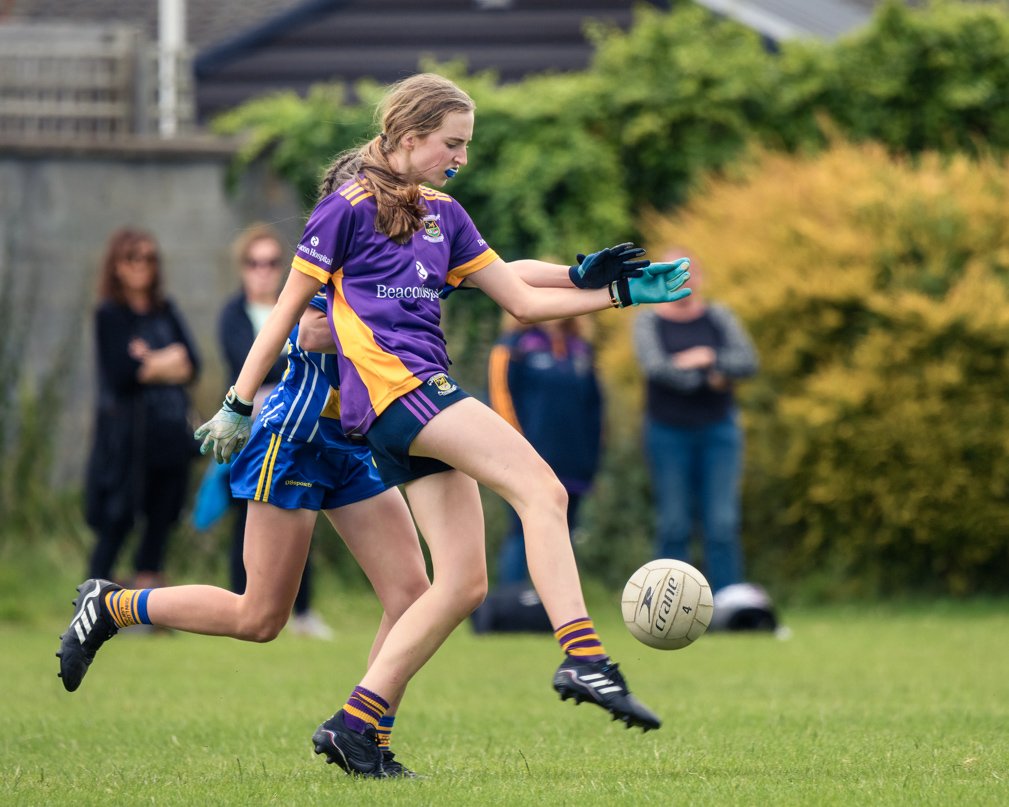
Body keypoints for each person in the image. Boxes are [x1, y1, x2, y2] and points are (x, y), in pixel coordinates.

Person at [60, 73, 691, 779]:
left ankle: (358, 728)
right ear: (406, 137)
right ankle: (584, 657)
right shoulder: (346, 215)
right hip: (329, 422)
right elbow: (289, 317)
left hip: (366, 435)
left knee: (446, 586)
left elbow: (508, 284)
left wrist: (602, 284)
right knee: (269, 611)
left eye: (466, 146)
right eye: (451, 143)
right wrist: (238, 402)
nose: (460, 157)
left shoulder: (438, 217)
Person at [61, 289, 432, 776]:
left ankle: (366, 741)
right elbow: (312, 329)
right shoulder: (353, 225)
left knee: (411, 597)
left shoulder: (422, 237)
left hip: (352, 437)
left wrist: (569, 282)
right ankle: (113, 606)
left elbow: (497, 274)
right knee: (260, 618)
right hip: (295, 438)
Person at [219, 224, 332, 639]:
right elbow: (246, 362)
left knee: (305, 511)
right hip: (254, 426)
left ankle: (301, 610)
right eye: (254, 263)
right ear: (243, 269)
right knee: (247, 519)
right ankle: (239, 603)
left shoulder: (302, 305)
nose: (263, 271)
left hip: (308, 422)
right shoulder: (234, 313)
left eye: (271, 263)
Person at [633, 249, 759, 594]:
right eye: (674, 273)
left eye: (688, 272)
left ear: (699, 277)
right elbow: (655, 367)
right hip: (666, 432)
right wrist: (708, 376)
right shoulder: (648, 321)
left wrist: (707, 357)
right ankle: (669, 604)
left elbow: (747, 360)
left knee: (722, 522)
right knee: (673, 523)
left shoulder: (719, 316)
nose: (683, 279)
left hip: (719, 430)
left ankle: (730, 603)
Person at [83, 228, 200, 591]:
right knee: (118, 521)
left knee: (161, 522)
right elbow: (122, 374)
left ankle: (146, 612)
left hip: (169, 435)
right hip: (129, 441)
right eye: (132, 258)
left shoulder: (166, 310)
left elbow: (191, 364)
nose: (141, 266)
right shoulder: (110, 315)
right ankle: (90, 599)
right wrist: (169, 361)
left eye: (149, 258)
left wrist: (151, 362)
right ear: (116, 265)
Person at [488, 315, 602, 584]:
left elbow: (595, 408)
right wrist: (515, 454)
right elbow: (499, 400)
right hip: (526, 460)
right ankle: (513, 605)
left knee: (564, 531)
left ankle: (556, 612)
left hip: (574, 461)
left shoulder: (581, 349)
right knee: (522, 530)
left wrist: (592, 457)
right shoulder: (512, 347)